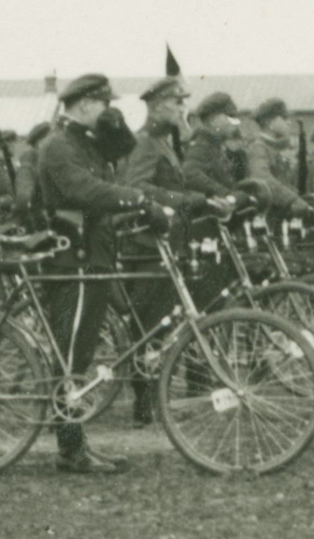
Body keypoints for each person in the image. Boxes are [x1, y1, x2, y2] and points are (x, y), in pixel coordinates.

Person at [39, 74, 167, 473]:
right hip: (72, 259)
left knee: (80, 355)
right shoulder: (59, 145)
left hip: (91, 258)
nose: (109, 110)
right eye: (103, 104)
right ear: (84, 105)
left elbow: (111, 176)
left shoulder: (84, 143)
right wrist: (138, 198)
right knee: (71, 355)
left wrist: (133, 205)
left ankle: (77, 443)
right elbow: (85, 191)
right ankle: (70, 449)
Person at [119, 77, 232, 425]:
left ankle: (157, 400)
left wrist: (198, 202)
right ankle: (144, 405)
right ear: (157, 106)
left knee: (164, 322)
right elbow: (137, 188)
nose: (183, 108)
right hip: (146, 245)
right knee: (149, 326)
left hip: (167, 241)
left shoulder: (163, 143)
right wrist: (187, 200)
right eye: (177, 102)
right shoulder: (145, 143)